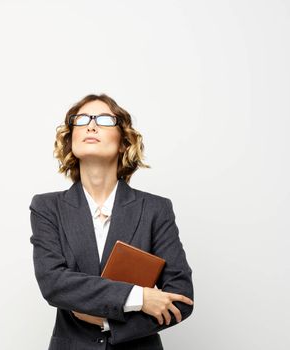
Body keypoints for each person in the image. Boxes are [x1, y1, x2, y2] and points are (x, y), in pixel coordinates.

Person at [29, 93, 194, 350]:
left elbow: (181, 297)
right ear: (71, 138)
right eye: (81, 120)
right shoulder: (47, 207)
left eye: (105, 119)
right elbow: (53, 283)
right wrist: (138, 297)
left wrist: (110, 322)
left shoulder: (155, 209)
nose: (91, 125)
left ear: (123, 142)